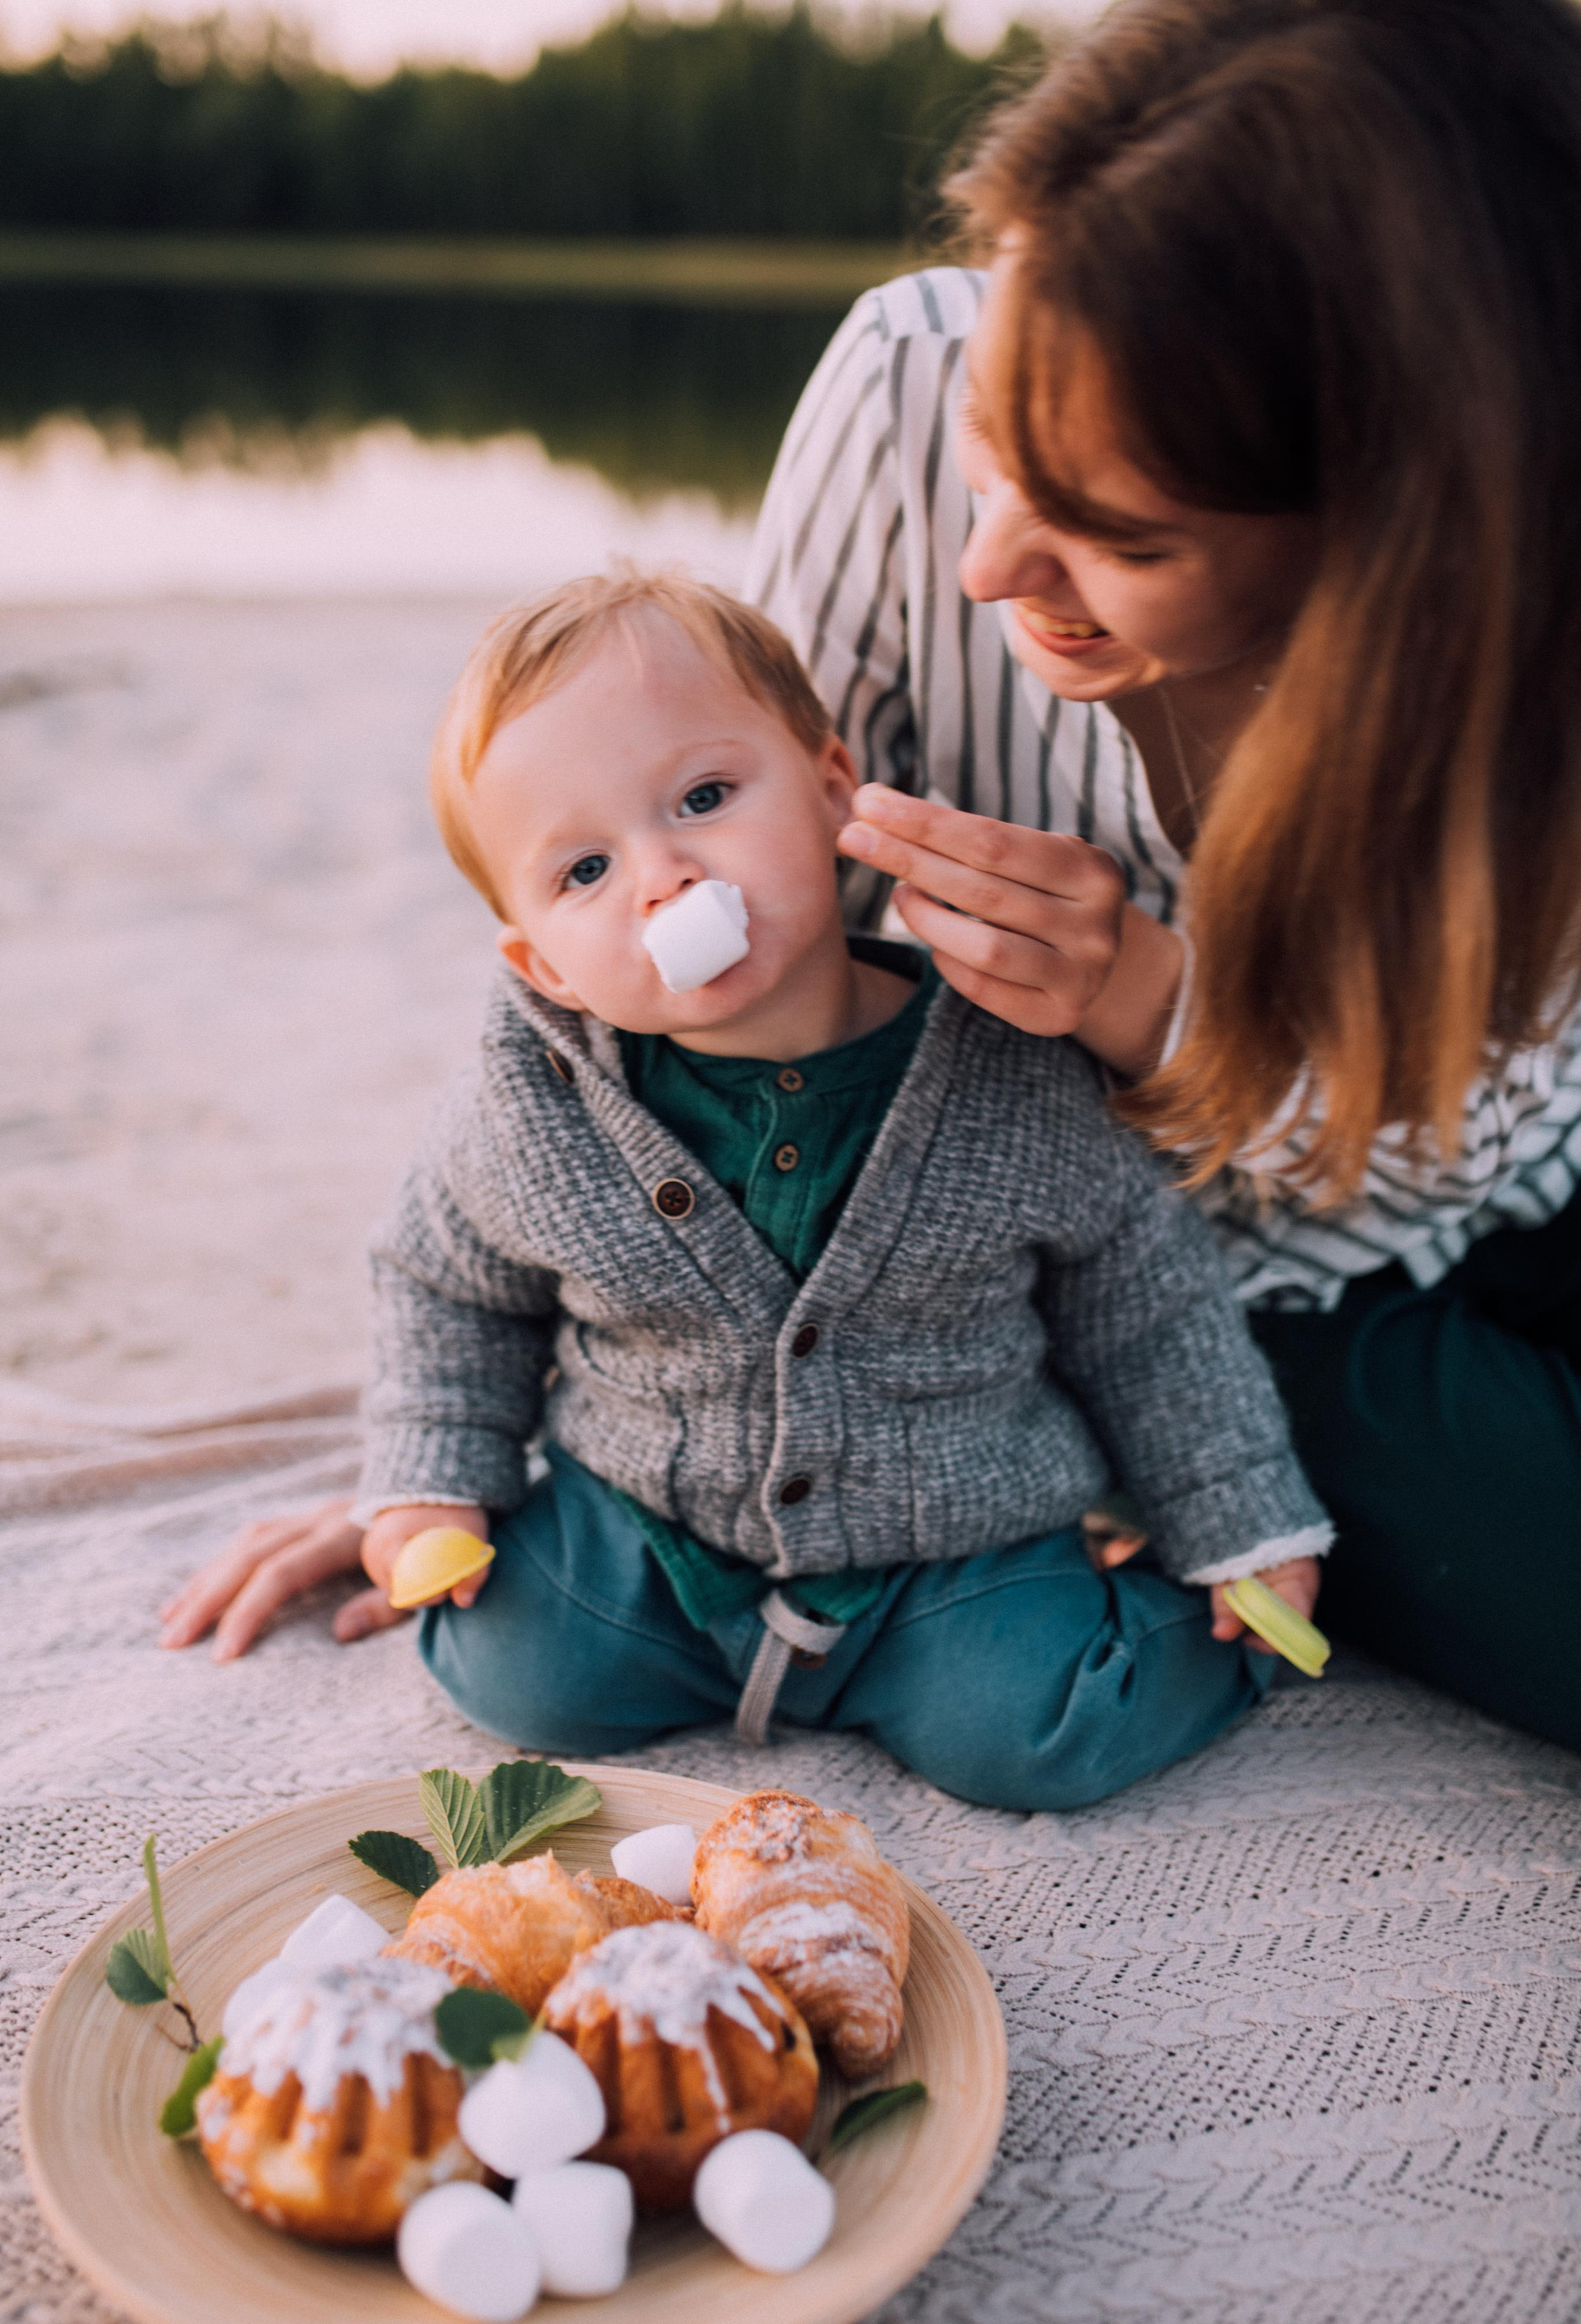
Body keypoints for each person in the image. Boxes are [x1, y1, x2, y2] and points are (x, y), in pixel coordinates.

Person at [166, 0, 1581, 1753]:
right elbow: (680, 933)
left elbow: (1492, 1139)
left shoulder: (1528, 659)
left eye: (1117, 535)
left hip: (1414, 1214)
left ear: (1394, 541)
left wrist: (1158, 1009)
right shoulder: (909, 369)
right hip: (1113, 1292)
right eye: (998, 444)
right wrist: (461, 1466)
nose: (989, 557)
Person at [198, 566, 1328, 1810]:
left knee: (1036, 1734)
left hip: (942, 1545)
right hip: (649, 1528)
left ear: (832, 788)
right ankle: (636, 1633)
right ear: (544, 966)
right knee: (512, 1669)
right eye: (583, 872)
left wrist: (1236, 1523)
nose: (664, 876)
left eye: (702, 797)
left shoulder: (1008, 1067)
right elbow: (442, 1285)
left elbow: (1148, 1305)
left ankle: (1210, 1645)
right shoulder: (534, 1106)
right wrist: (431, 1478)